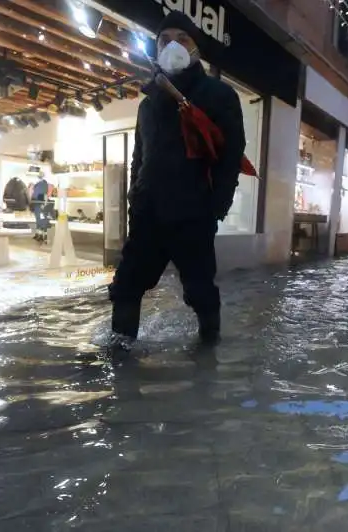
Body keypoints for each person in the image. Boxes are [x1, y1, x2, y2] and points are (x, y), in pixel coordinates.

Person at [107, 11, 246, 351]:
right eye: (164, 40)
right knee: (126, 286)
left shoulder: (219, 95)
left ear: (196, 48)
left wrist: (216, 206)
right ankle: (119, 366)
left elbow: (232, 154)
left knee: (200, 291)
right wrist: (133, 197)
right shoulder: (147, 104)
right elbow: (140, 155)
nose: (173, 45)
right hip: (148, 213)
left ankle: (207, 361)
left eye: (182, 39)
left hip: (193, 213)